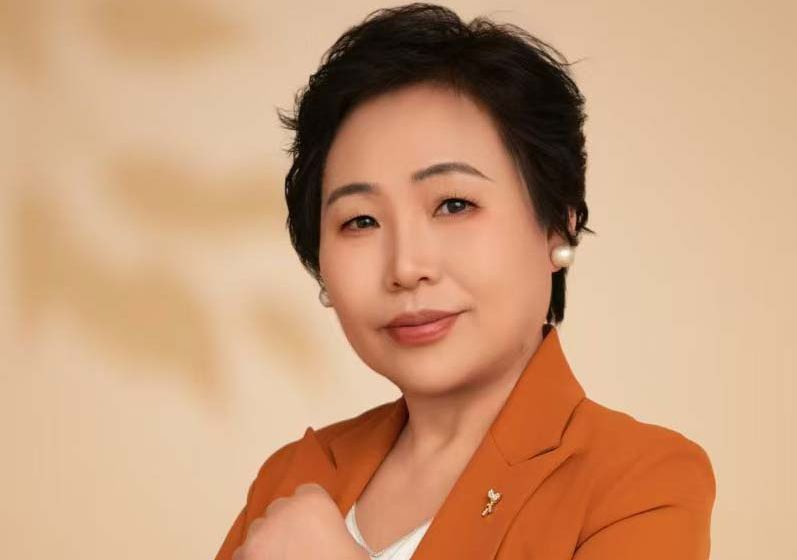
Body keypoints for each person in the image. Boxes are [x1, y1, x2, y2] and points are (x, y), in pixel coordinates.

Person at [215, 4, 715, 559]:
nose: (406, 267)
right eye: (360, 221)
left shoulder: (641, 482)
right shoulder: (291, 478)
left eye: (454, 204)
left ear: (558, 224)